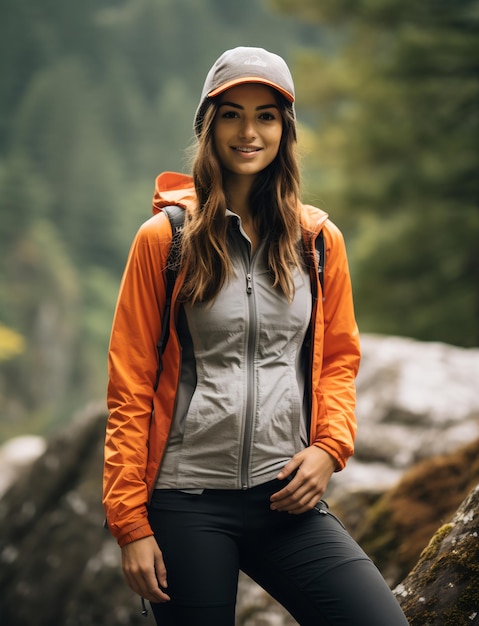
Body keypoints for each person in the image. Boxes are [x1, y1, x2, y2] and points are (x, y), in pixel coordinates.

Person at [103, 46, 408, 626]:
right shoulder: (163, 240)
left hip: (284, 499)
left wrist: (328, 448)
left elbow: (338, 361)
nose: (249, 131)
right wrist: (130, 525)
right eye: (232, 114)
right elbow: (130, 386)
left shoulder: (318, 242)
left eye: (266, 115)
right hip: (185, 501)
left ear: (284, 130)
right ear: (208, 125)